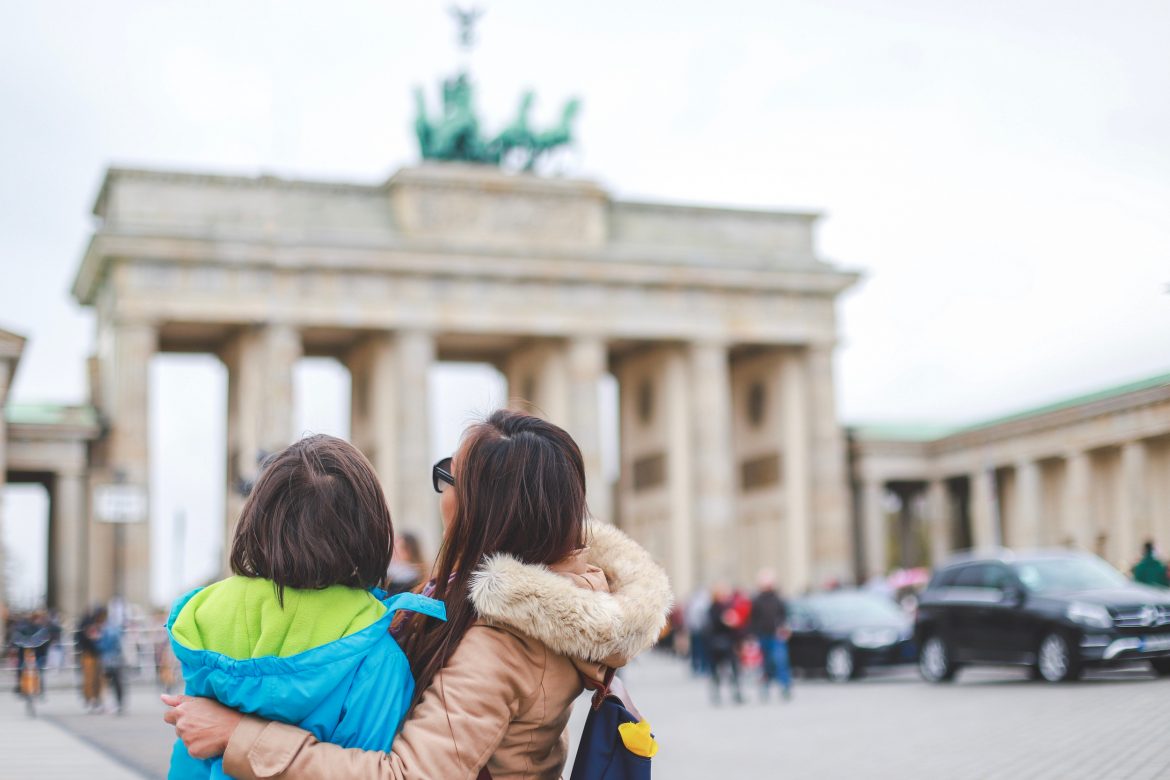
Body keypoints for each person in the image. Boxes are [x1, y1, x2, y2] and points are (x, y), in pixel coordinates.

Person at [163, 409, 671, 780]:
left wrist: (237, 736)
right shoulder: (491, 604)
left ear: (481, 508)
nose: (442, 492)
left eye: (451, 474)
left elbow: (409, 776)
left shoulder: (501, 640)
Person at [165, 434, 444, 779]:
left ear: (258, 519)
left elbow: (189, 756)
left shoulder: (206, 619)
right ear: (370, 529)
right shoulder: (378, 658)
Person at [749, 570, 792, 701]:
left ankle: (785, 686)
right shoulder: (757, 600)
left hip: (776, 635)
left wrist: (783, 627)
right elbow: (753, 619)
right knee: (765, 664)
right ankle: (765, 687)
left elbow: (784, 615)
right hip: (762, 635)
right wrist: (752, 635)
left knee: (780, 661)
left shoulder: (778, 599)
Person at [707, 583, 744, 705]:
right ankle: (716, 693)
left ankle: (736, 693)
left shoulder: (727, 607)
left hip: (728, 642)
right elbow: (713, 624)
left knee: (734, 669)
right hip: (717, 643)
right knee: (717, 670)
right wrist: (724, 621)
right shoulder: (713, 608)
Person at [76, 607, 106, 712]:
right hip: (89, 653)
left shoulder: (99, 624)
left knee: (99, 679)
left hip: (98, 654)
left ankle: (96, 700)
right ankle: (90, 699)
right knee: (89, 678)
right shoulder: (88, 624)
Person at [96, 610, 125, 714]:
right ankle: (119, 703)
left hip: (107, 659)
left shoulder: (104, 630)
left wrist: (97, 642)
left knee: (105, 683)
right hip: (116, 659)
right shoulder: (116, 629)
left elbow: (102, 645)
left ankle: (105, 704)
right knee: (118, 682)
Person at [385, 532, 426, 596]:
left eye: (399, 548)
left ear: (409, 552)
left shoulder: (419, 581)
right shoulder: (387, 576)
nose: (394, 552)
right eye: (393, 547)